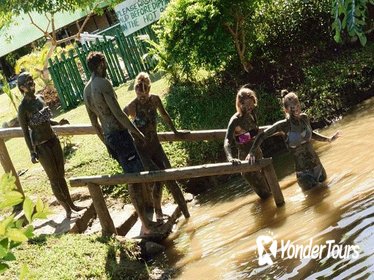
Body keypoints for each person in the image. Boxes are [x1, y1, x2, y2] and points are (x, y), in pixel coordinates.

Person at [83, 52, 160, 235]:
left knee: (134, 175)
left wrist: (106, 143)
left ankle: (146, 218)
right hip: (120, 135)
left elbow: (95, 123)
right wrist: (137, 132)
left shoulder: (86, 90)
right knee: (134, 178)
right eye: (106, 62)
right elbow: (118, 113)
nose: (107, 65)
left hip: (110, 138)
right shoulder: (103, 84)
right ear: (101, 63)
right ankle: (145, 224)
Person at [124, 72, 190, 221]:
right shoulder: (132, 106)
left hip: (155, 145)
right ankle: (158, 211)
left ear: (149, 89)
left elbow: (165, 115)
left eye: (144, 93)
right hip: (142, 149)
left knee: (170, 176)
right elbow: (121, 120)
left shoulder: (155, 100)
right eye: (139, 93)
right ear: (136, 91)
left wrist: (175, 131)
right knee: (157, 176)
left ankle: (186, 214)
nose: (142, 97)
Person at [17, 72, 84, 218]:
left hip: (53, 140)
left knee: (61, 175)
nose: (32, 84)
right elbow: (25, 132)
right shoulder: (23, 108)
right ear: (22, 88)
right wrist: (32, 151)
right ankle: (67, 209)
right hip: (41, 146)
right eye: (28, 83)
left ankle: (72, 204)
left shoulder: (40, 99)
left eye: (32, 81)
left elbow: (46, 121)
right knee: (54, 179)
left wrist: (58, 123)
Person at [248, 90, 340, 190]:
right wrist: (252, 152)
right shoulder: (283, 125)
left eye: (298, 106)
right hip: (304, 174)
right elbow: (262, 135)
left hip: (318, 168)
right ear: (286, 109)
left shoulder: (304, 118)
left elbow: (311, 134)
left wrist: (328, 139)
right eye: (292, 108)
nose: (296, 110)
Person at [224, 87, 272, 199]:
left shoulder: (252, 113)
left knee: (272, 191)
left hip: (259, 156)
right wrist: (230, 158)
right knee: (266, 196)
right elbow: (227, 141)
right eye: (247, 105)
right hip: (247, 163)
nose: (250, 107)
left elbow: (254, 133)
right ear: (240, 104)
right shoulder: (235, 120)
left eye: (252, 104)